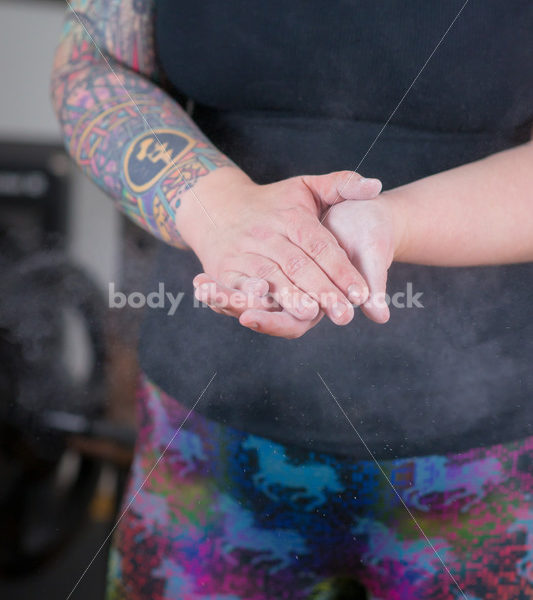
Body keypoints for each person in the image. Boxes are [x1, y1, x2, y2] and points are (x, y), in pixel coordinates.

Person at [51, 1, 533, 599]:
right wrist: (218, 209)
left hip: (491, 461)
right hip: (205, 441)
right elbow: (92, 67)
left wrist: (396, 222)